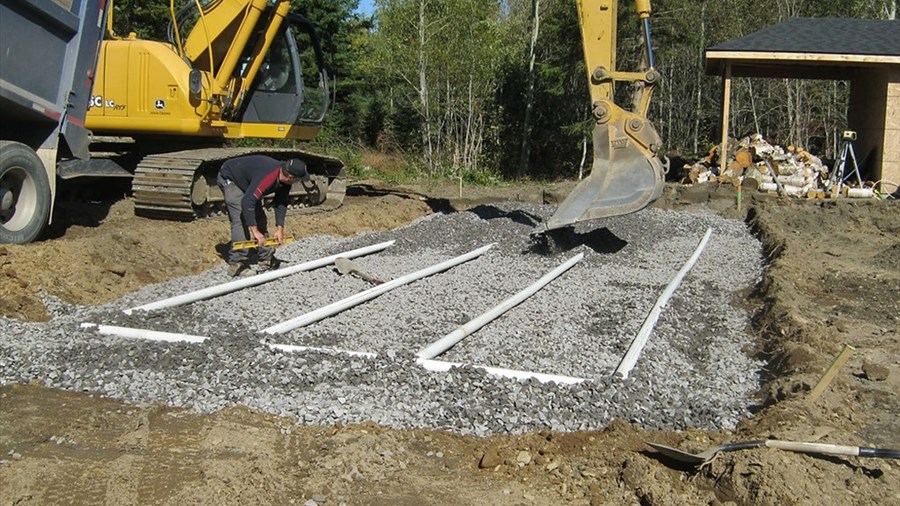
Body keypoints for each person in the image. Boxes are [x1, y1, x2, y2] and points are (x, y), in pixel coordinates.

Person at [216, 155, 310, 277]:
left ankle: (266, 258)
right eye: (299, 179)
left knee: (260, 218)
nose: (299, 182)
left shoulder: (285, 180)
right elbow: (247, 201)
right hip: (230, 177)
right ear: (291, 177)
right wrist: (255, 231)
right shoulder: (268, 176)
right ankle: (237, 264)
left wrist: (279, 228)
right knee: (241, 218)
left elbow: (281, 202)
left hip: (247, 182)